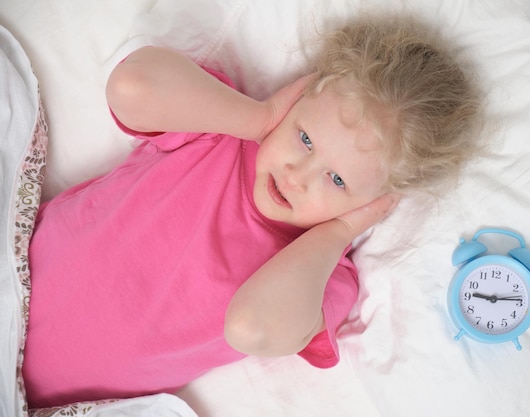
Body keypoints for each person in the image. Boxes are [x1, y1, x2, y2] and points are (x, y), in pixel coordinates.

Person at [22, 15, 480, 409]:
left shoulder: (322, 276)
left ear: (374, 204)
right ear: (297, 97)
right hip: (13, 280)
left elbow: (250, 326)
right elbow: (130, 85)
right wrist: (256, 119)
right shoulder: (219, 129)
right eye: (303, 138)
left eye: (337, 180)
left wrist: (340, 230)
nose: (298, 174)